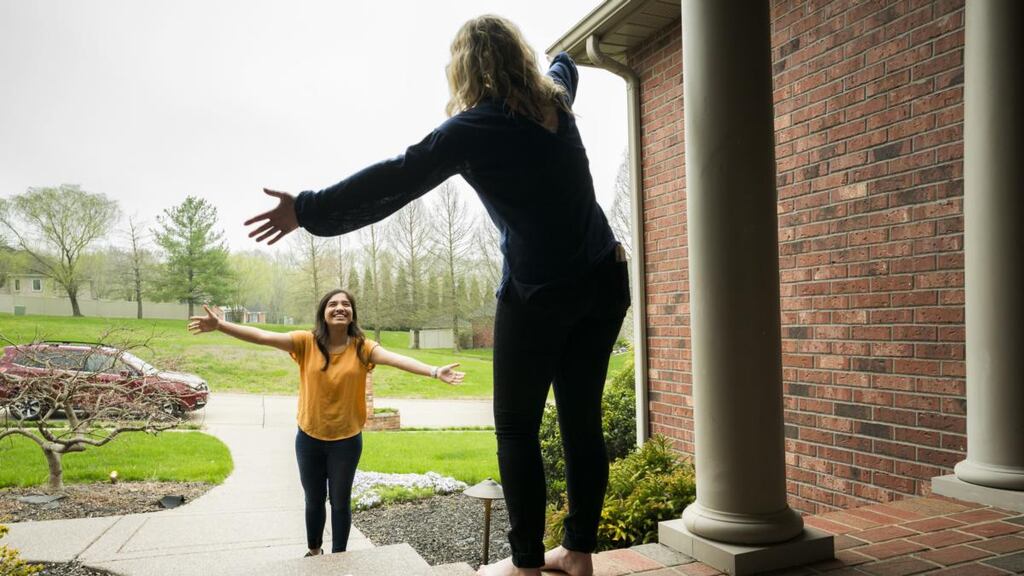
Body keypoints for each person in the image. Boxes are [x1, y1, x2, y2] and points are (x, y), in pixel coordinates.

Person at [243, 15, 628, 576]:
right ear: (518, 56)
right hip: (602, 279)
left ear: (465, 70)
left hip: (539, 294)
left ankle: (525, 563)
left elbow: (395, 177)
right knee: (581, 420)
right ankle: (578, 553)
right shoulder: (558, 101)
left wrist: (307, 208)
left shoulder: (472, 130)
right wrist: (554, 59)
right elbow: (564, 64)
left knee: (518, 426)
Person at [187, 290, 464, 557]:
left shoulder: (363, 348)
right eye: (333, 304)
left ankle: (339, 557)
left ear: (353, 314)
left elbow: (397, 359)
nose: (340, 308)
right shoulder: (305, 342)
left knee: (340, 502)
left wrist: (434, 371)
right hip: (309, 438)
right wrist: (221, 326)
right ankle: (315, 551)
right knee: (314, 499)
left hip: (346, 441)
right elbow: (262, 336)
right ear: (324, 312)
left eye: (346, 304)